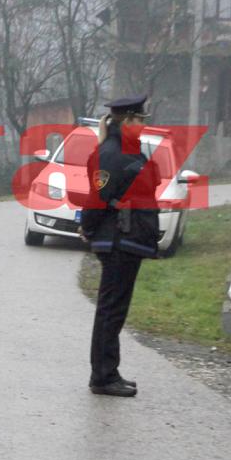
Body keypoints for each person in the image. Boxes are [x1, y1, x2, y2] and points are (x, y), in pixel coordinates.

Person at [78, 95, 161, 398]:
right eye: (140, 119)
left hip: (129, 239)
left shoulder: (124, 150)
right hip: (117, 240)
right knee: (110, 311)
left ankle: (108, 372)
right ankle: (102, 376)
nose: (143, 124)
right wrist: (88, 228)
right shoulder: (112, 153)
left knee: (115, 310)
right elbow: (97, 198)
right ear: (126, 121)